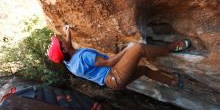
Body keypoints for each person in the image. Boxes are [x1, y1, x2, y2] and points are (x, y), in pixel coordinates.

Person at [47, 25, 191, 90]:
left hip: (113, 83)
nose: (62, 40)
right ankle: (171, 48)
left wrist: (68, 32)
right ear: (64, 48)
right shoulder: (83, 57)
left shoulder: (69, 63)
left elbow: (68, 48)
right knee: (138, 48)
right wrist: (127, 49)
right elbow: (109, 61)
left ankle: (173, 82)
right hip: (114, 74)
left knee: (145, 70)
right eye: (61, 42)